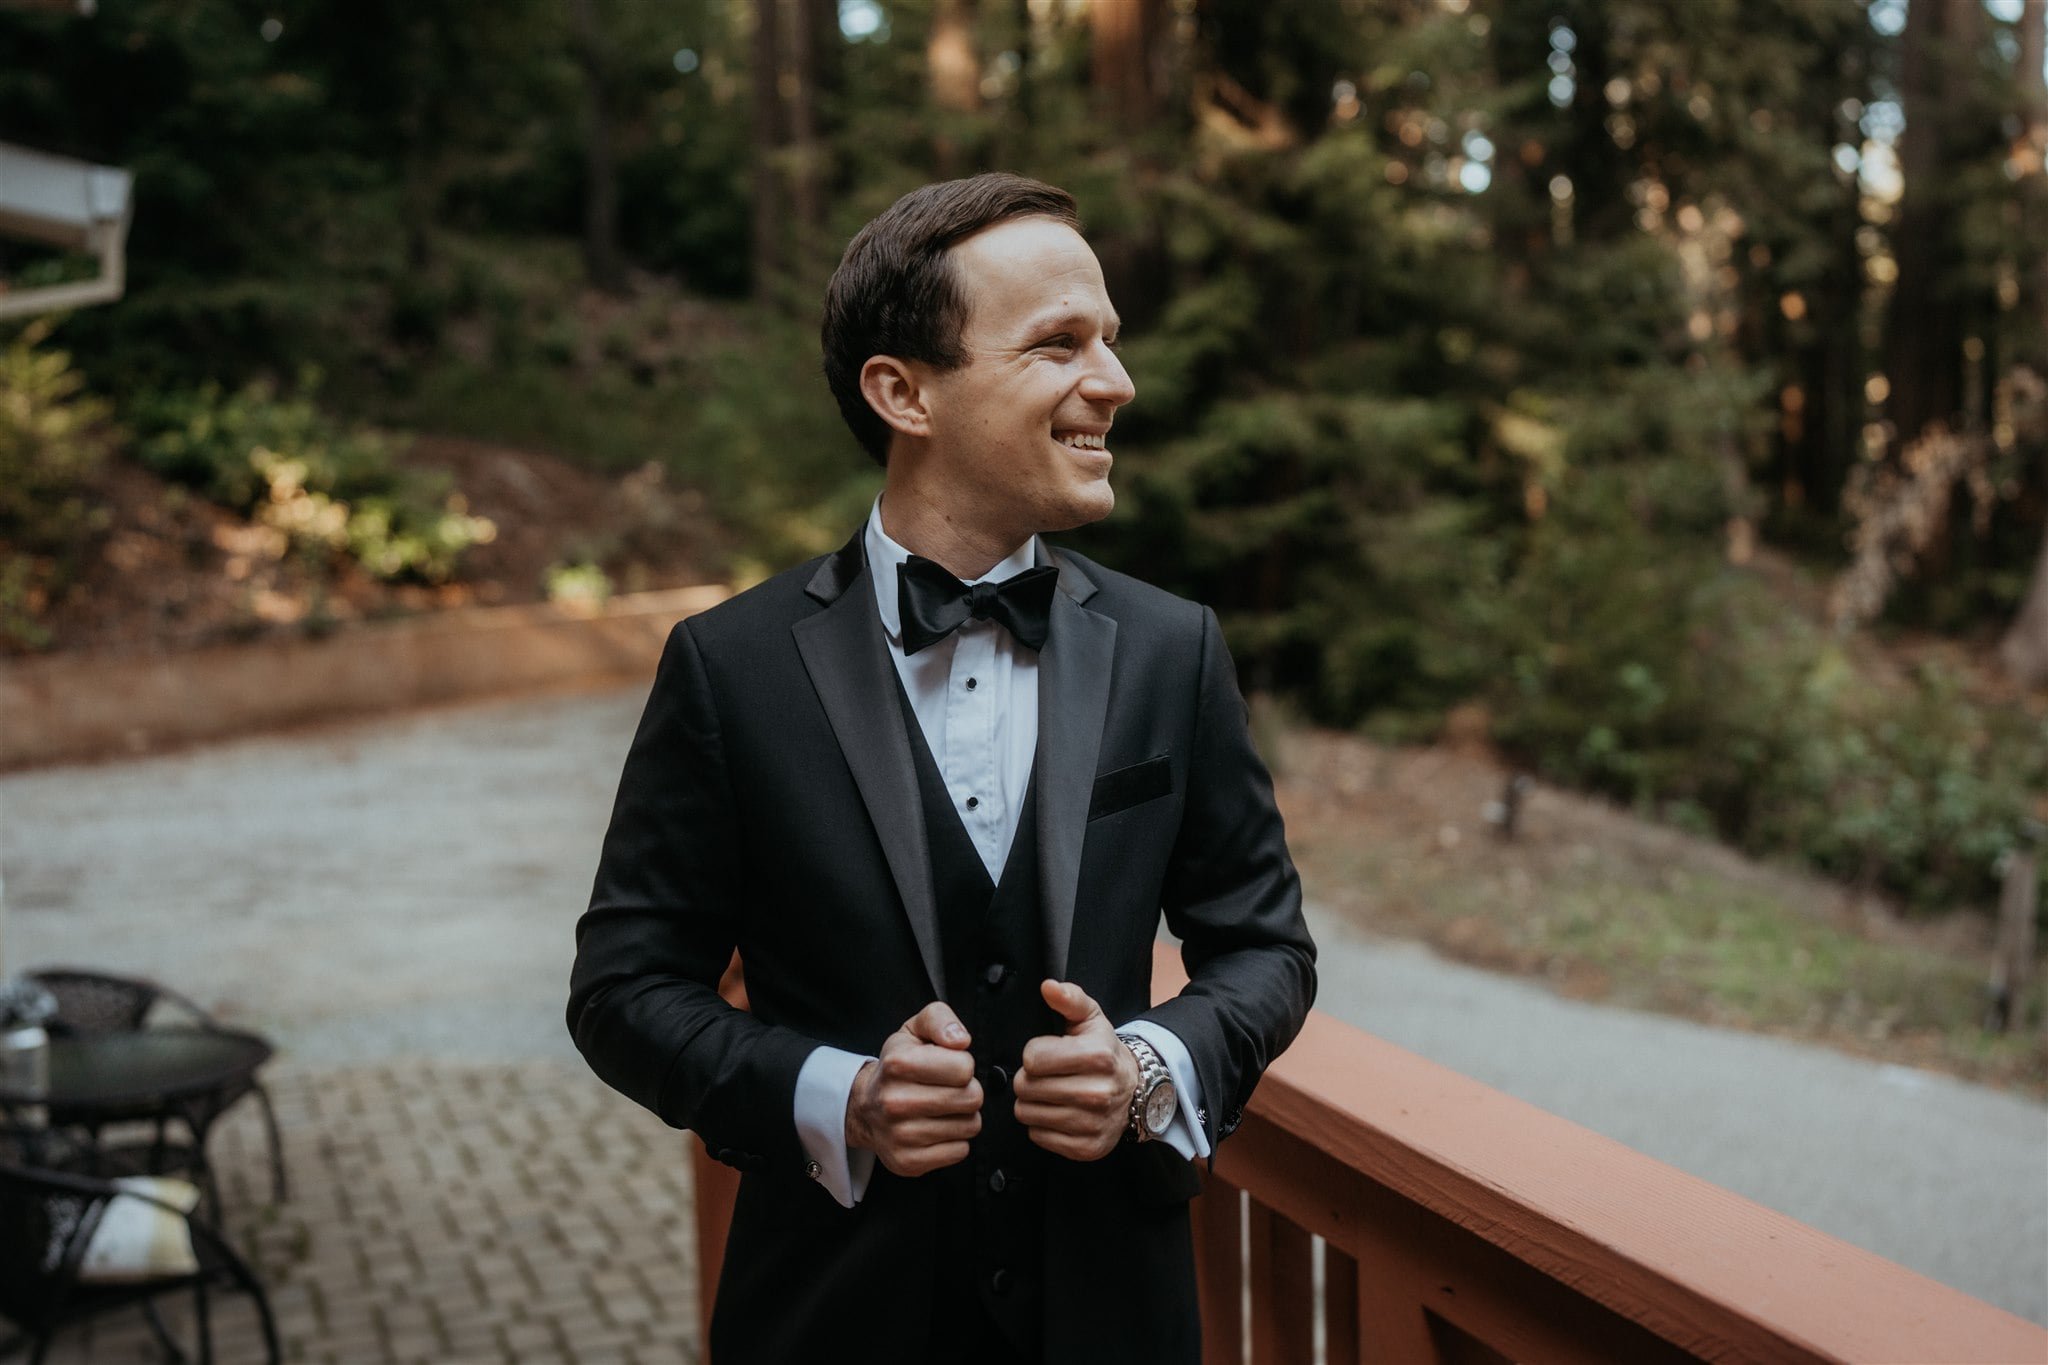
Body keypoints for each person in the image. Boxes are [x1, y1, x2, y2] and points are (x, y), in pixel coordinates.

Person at [568, 172, 1316, 1365]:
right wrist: (837, 1095)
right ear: (902, 391)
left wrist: (1150, 1068)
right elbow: (622, 991)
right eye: (1059, 343)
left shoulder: (1174, 650)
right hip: (829, 1316)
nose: (1115, 382)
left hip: (1112, 1321)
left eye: (1109, 342)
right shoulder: (728, 668)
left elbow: (1266, 946)